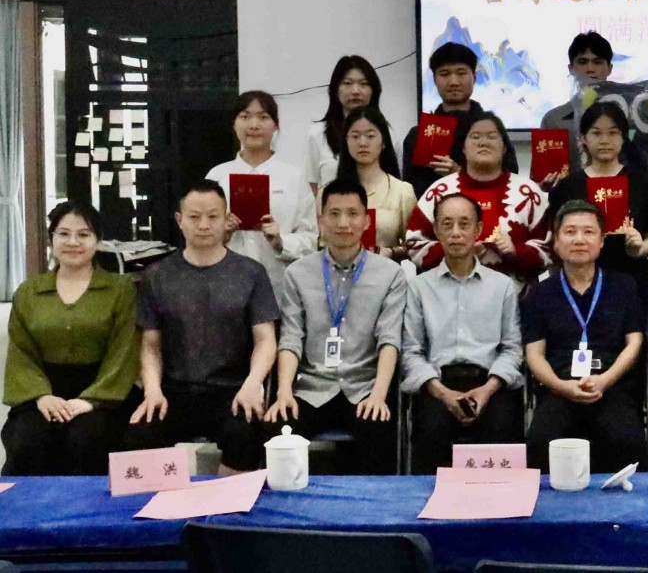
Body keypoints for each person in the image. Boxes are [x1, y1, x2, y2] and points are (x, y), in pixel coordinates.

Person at [127, 181, 279, 474]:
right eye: (194, 217)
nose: (204, 225)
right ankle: (162, 503)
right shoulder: (157, 275)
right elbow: (150, 344)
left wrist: (253, 384)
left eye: (213, 216)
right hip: (174, 391)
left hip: (232, 390)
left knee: (246, 434)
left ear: (226, 220)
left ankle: (226, 501)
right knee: (140, 433)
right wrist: (152, 391)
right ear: (179, 220)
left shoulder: (251, 273)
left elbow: (265, 339)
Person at [265, 180, 408, 475]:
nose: (343, 223)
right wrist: (283, 392)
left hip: (364, 386)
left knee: (377, 429)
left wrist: (379, 395)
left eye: (353, 214)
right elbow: (291, 338)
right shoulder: (297, 273)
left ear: (367, 220)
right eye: (334, 214)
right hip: (312, 386)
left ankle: (368, 505)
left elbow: (389, 339)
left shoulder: (390, 274)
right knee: (277, 427)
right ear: (321, 221)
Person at [2, 202, 139, 476]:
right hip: (43, 390)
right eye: (64, 234)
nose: (73, 242)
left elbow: (124, 350)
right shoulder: (29, 291)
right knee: (29, 439)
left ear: (98, 241)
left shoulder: (120, 289)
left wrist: (91, 400)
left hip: (105, 393)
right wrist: (41, 396)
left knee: (87, 438)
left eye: (84, 234)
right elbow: (20, 352)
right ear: (51, 239)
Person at [400, 193, 524, 474]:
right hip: (438, 384)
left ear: (478, 230)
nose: (456, 233)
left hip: (491, 383)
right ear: (436, 231)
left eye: (464, 224)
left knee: (503, 431)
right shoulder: (419, 287)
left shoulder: (502, 286)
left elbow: (512, 348)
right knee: (430, 435)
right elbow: (412, 351)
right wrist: (442, 393)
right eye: (447, 224)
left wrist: (487, 390)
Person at [523, 201, 646, 474]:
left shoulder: (624, 286)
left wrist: (605, 380)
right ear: (556, 242)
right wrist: (561, 386)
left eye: (588, 232)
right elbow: (534, 354)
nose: (579, 239)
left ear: (602, 241)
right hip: (559, 388)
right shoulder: (540, 293)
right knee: (540, 441)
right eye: (570, 232)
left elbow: (634, 342)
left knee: (628, 441)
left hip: (611, 386)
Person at [406, 113, 551, 289]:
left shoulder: (528, 192)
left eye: (492, 137)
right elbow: (414, 244)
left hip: (518, 300)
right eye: (475, 137)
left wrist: (515, 251)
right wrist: (456, 252)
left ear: (505, 148)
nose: (483, 143)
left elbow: (549, 250)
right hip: (448, 297)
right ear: (463, 148)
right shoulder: (440, 190)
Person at [549, 102, 648, 305]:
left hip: (632, 281)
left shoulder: (642, 183)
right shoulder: (567, 187)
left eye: (612, 133)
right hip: (579, 282)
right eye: (596, 133)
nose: (604, 140)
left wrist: (641, 248)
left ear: (623, 137)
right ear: (583, 138)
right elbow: (555, 238)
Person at [207, 90, 317, 293]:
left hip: (278, 287)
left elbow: (311, 238)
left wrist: (281, 241)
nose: (254, 125)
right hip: (225, 286)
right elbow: (198, 234)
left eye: (263, 117)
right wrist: (222, 233)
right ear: (234, 124)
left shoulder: (293, 177)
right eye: (245, 116)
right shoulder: (217, 176)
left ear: (275, 125)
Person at [401, 42, 518, 199]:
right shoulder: (418, 134)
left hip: (488, 210)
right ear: (434, 79)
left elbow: (511, 178)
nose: (453, 82)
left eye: (461, 73)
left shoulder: (491, 129)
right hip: (434, 210)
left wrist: (460, 174)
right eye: (444, 74)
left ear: (474, 77)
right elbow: (410, 189)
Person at [331, 107, 416, 262]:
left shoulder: (402, 191)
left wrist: (392, 252)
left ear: (383, 141)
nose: (362, 143)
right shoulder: (329, 193)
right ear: (346, 141)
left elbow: (414, 245)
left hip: (386, 272)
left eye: (370, 136)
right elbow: (321, 243)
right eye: (355, 136)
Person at [305, 55, 398, 195]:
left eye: (363, 84)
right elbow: (312, 187)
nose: (355, 91)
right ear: (336, 90)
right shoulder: (318, 133)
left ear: (374, 91)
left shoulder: (388, 133)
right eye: (347, 83)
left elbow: (395, 180)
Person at [539, 32, 615, 183]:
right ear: (571, 68)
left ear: (609, 68)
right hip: (570, 196)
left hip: (617, 193)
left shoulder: (628, 115)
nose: (590, 69)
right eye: (583, 62)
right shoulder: (554, 120)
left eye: (597, 62)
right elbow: (544, 176)